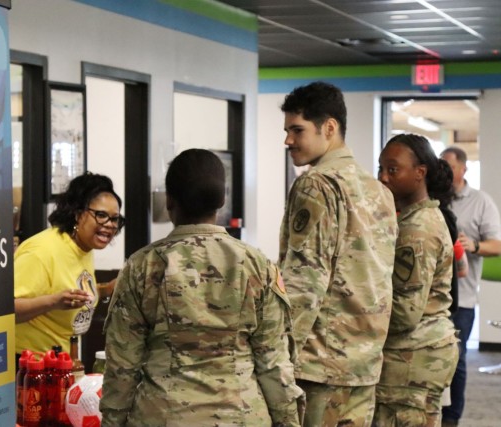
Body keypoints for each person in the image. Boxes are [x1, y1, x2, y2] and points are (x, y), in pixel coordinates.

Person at [101, 149, 304, 427]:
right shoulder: (258, 266)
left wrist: (112, 422)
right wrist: (288, 421)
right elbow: (274, 362)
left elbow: (122, 367)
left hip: (163, 416)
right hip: (243, 416)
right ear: (222, 201)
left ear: (169, 200)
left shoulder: (141, 267)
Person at [278, 81, 398, 426]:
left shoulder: (317, 184)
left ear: (329, 128)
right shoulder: (378, 190)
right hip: (364, 361)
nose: (288, 140)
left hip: (320, 364)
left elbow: (305, 281)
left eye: (297, 130)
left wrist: (278, 356)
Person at [374, 134, 459, 426]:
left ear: (420, 172)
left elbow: (404, 313)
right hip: (418, 354)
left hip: (411, 358)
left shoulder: (416, 230)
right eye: (381, 169)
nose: (384, 177)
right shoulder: (417, 219)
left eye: (393, 169)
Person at [14, 172, 124, 358]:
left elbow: (66, 287)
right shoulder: (42, 250)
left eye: (114, 219)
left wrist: (105, 290)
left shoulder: (83, 248)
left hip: (63, 361)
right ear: (77, 214)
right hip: (30, 366)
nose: (110, 225)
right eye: (101, 215)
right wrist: (54, 302)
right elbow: (8, 312)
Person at [440, 146, 501, 426]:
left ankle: (452, 418)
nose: (443, 171)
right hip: (430, 298)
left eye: (449, 166)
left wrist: (473, 245)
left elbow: (496, 245)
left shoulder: (480, 201)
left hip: (461, 298)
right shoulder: (432, 198)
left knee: (458, 360)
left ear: (463, 169)